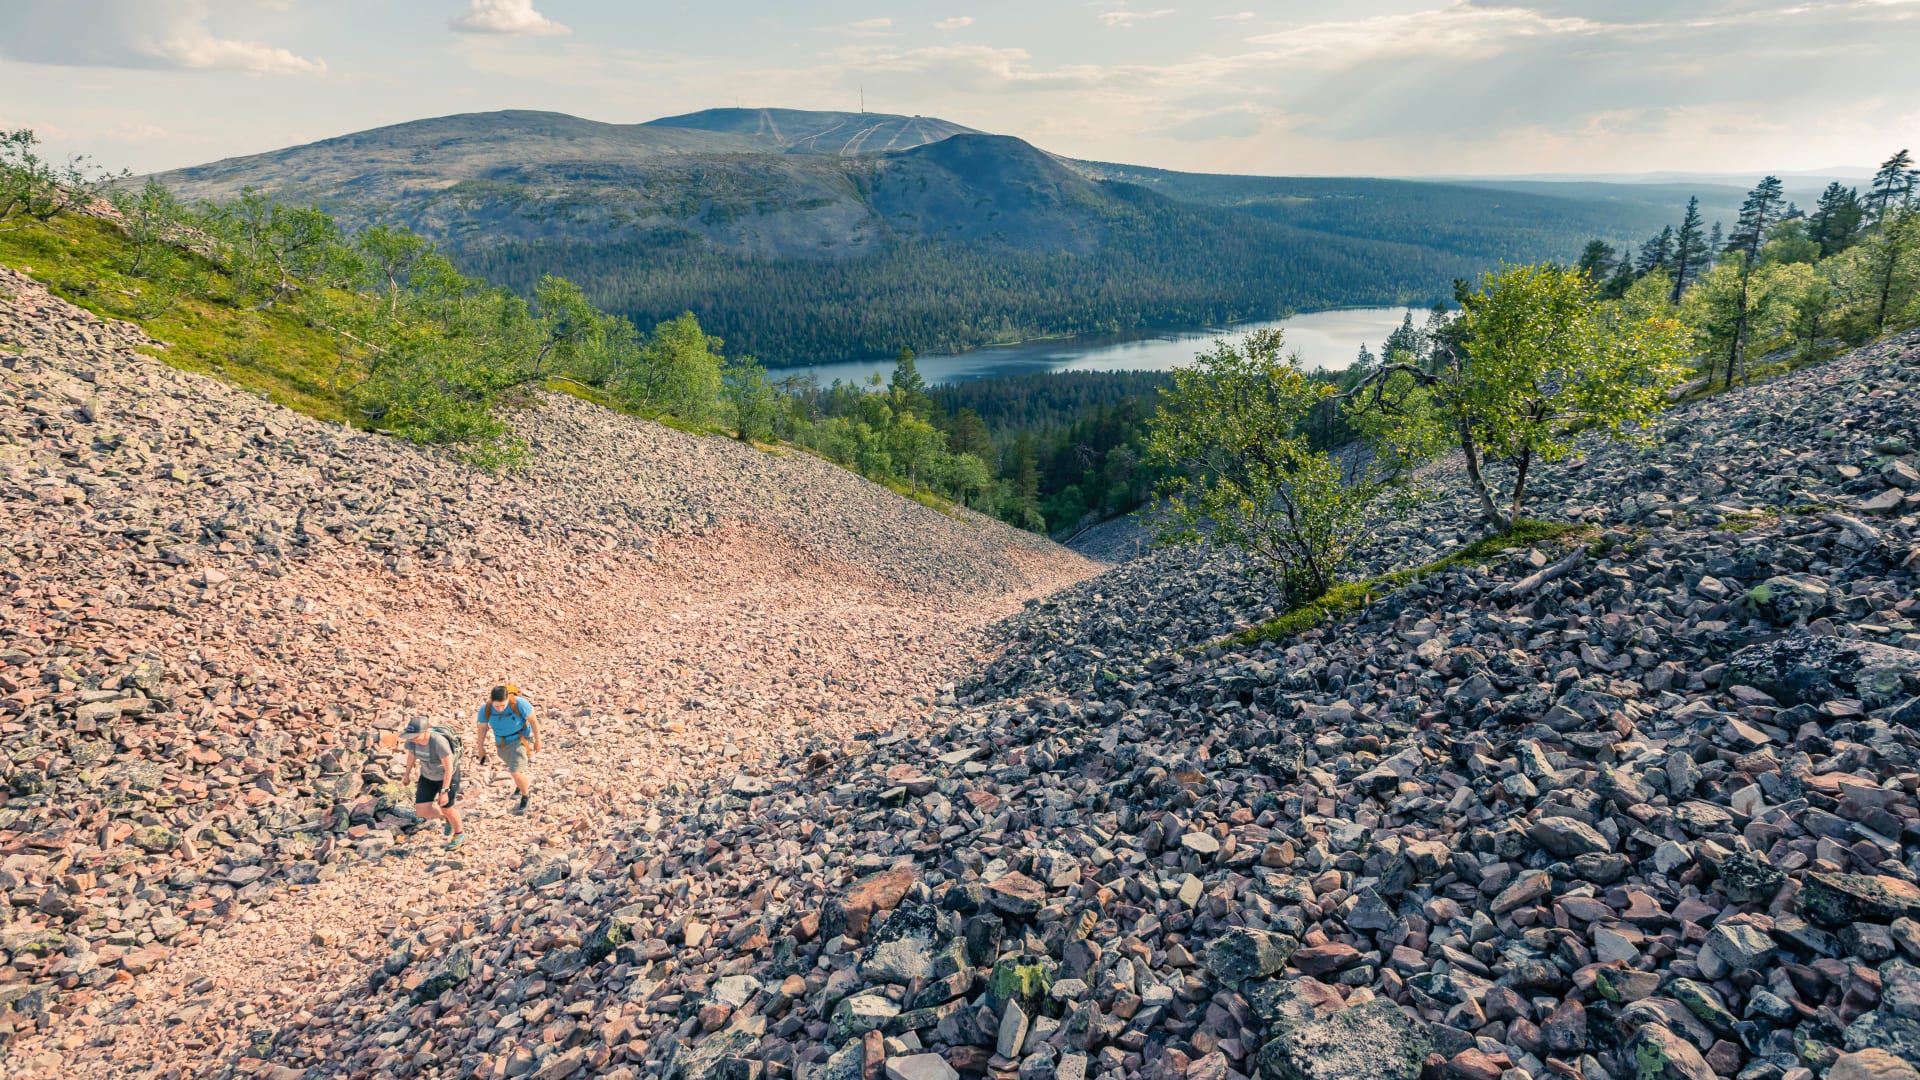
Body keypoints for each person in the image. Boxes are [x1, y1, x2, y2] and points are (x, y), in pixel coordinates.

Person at [400, 717, 465, 849]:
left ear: (426, 731)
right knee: (422, 812)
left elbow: (449, 768)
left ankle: (459, 834)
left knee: (447, 807)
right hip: (427, 776)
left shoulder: (438, 742)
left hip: (447, 776)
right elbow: (411, 756)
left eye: (415, 736)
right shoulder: (412, 741)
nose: (412, 739)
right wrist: (406, 774)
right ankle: (447, 818)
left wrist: (445, 791)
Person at [476, 684, 541, 815]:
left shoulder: (520, 704)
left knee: (515, 771)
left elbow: (533, 720)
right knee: (513, 767)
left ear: (507, 699)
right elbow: (482, 728)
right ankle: (520, 784)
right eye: (497, 706)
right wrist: (480, 747)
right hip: (502, 743)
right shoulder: (486, 709)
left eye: (503, 706)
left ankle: (526, 796)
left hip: (520, 739)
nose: (499, 709)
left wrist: (538, 740)